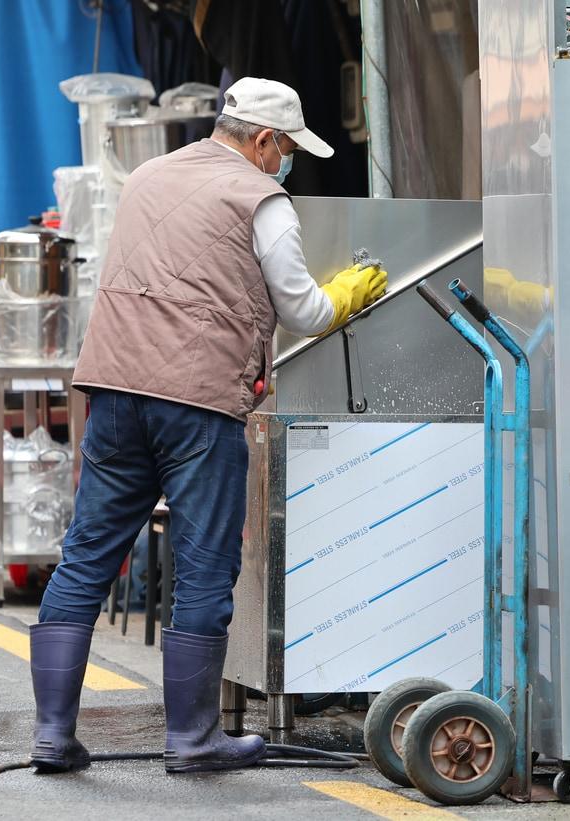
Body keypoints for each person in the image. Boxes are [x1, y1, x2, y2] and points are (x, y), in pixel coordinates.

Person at [28, 78, 386, 774]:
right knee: (203, 566)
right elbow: (304, 310)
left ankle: (52, 734)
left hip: (115, 385)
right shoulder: (264, 202)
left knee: (88, 554)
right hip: (196, 400)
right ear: (262, 140)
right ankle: (193, 739)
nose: (288, 163)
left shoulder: (147, 176)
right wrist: (346, 295)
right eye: (287, 149)